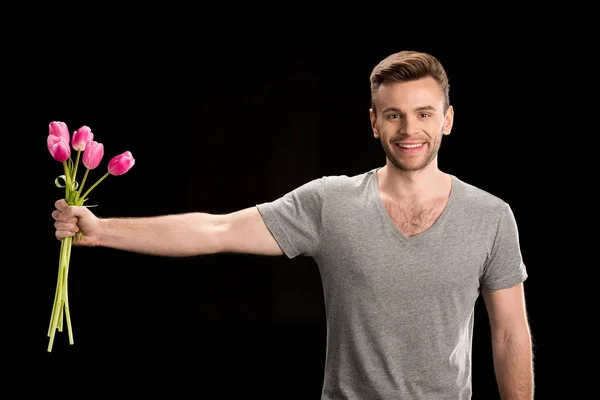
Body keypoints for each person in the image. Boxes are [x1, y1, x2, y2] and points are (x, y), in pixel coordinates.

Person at [52, 50, 534, 399]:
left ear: (447, 120)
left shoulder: (491, 216)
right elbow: (216, 230)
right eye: (394, 115)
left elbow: (510, 334)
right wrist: (101, 230)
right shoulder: (330, 203)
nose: (409, 130)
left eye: (424, 113)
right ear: (373, 122)